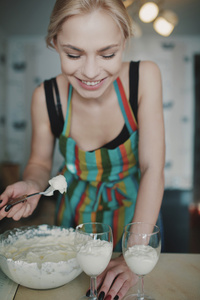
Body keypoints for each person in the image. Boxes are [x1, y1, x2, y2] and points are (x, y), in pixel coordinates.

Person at [0, 0, 165, 299]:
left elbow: (153, 168)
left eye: (108, 53)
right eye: (73, 54)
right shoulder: (46, 96)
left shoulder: (144, 78)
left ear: (125, 42)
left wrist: (134, 252)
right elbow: (39, 163)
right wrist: (31, 184)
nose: (90, 72)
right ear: (55, 43)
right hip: (74, 220)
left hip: (137, 218)